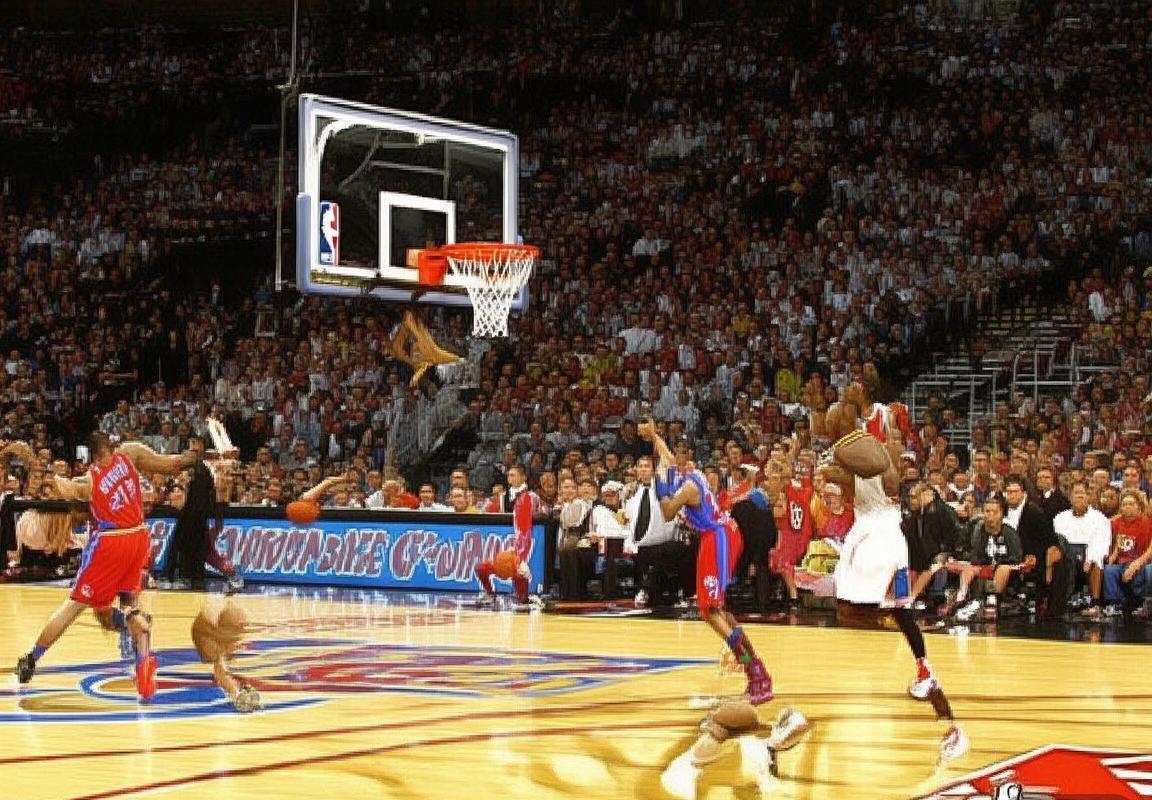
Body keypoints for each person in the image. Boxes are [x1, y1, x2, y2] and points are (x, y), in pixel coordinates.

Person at [12, 433, 199, 700]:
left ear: (91, 457)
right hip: (138, 536)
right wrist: (195, 456)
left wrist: (38, 467)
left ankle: (32, 658)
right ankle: (142, 657)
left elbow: (63, 488)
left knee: (74, 605)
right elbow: (172, 464)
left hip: (111, 541)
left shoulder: (90, 480)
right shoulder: (131, 453)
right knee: (127, 602)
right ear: (111, 447)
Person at [822, 427, 967, 761]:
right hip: (892, 543)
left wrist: (832, 460)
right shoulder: (880, 471)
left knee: (850, 609)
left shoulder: (871, 471)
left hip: (875, 540)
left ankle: (884, 624)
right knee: (900, 610)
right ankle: (924, 669)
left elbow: (835, 474)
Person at [636, 419, 773, 705]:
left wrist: (659, 487)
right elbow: (667, 456)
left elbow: (668, 512)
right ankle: (753, 667)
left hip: (718, 536)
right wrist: (654, 436)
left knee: (710, 610)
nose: (670, 464)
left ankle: (755, 671)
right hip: (720, 534)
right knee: (716, 609)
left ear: (689, 460)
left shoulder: (688, 485)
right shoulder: (683, 472)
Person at [475, 464, 541, 610]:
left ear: (523, 477)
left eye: (514, 475)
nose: (510, 478)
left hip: (522, 543)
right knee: (482, 567)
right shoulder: (504, 496)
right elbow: (488, 510)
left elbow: (526, 529)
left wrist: (521, 555)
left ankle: (523, 599)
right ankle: (491, 594)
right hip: (511, 541)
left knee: (517, 570)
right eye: (509, 475)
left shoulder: (529, 497)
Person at [1052, 482, 1112, 617]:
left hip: (1089, 551)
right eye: (1076, 493)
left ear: (1088, 497)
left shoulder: (1100, 518)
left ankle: (1095, 603)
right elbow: (1056, 541)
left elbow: (1102, 542)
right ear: (1070, 497)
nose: (1079, 496)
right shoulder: (1060, 518)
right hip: (1066, 553)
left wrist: (1090, 557)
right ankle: (1060, 601)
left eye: (1082, 493)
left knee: (1096, 561)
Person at [1099, 490, 1152, 619]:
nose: (1127, 507)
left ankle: (1145, 604)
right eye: (1124, 504)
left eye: (1131, 504)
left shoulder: (1147, 523)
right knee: (1109, 570)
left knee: (1148, 570)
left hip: (1141, 563)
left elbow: (1149, 552)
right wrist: (1109, 559)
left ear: (1138, 506)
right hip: (1121, 563)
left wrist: (1134, 566)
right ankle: (1114, 605)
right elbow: (1114, 545)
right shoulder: (1116, 522)